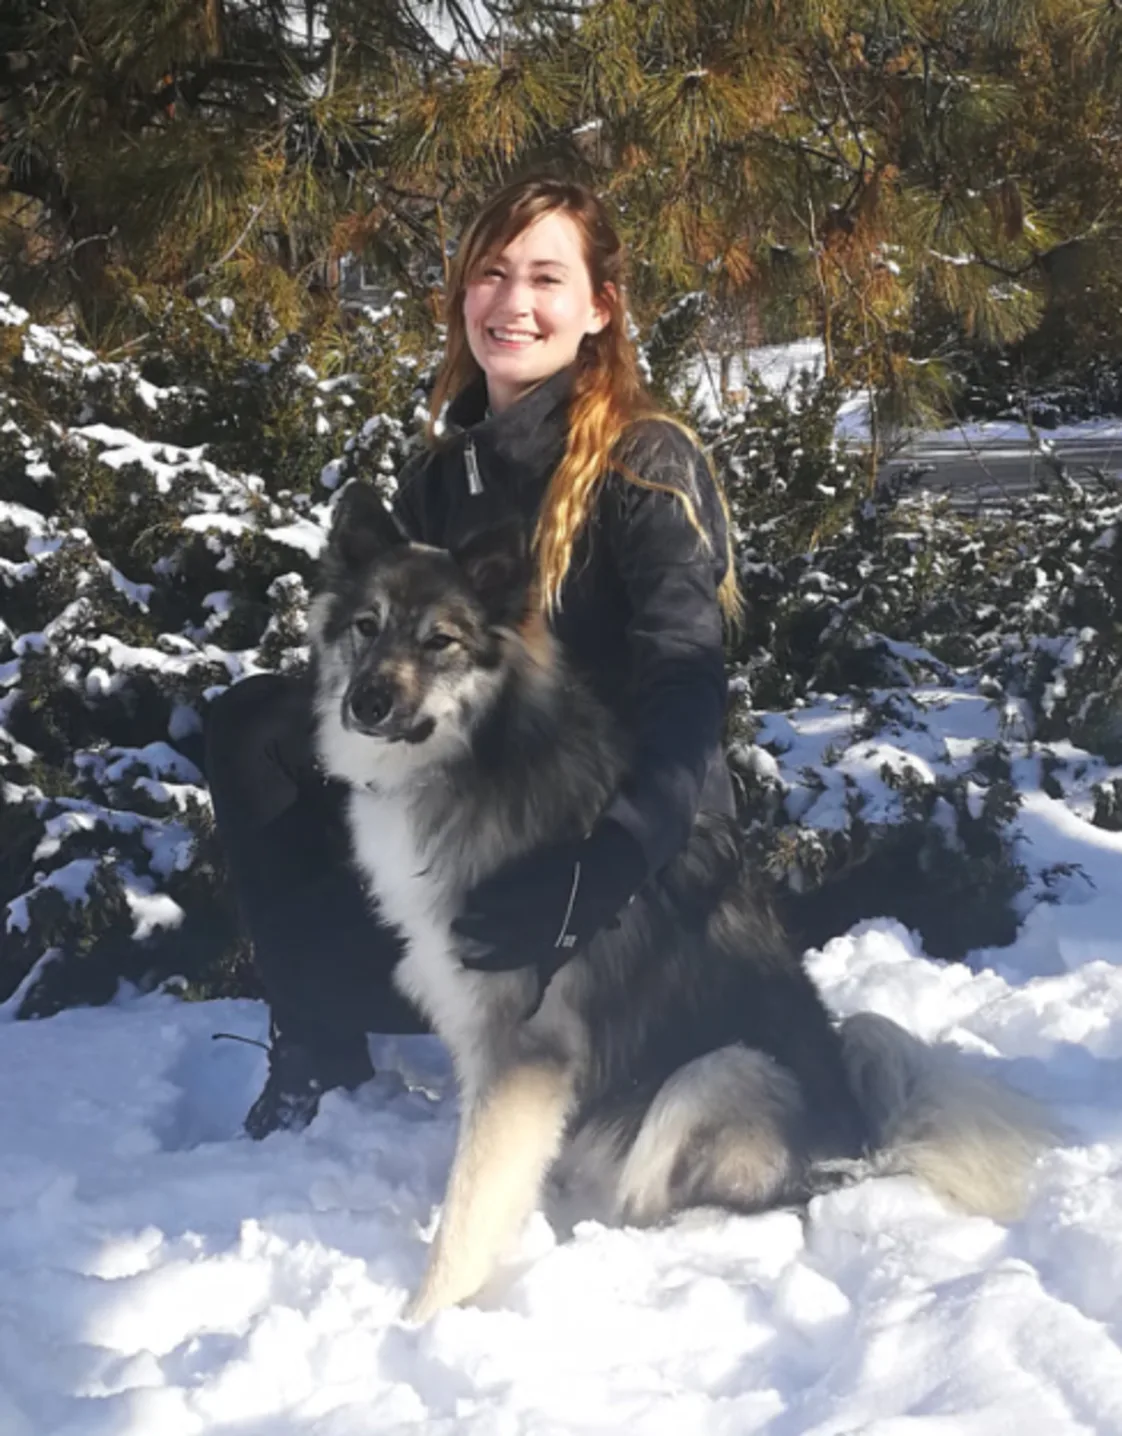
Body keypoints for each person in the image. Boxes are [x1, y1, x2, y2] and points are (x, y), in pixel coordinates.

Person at [205, 175, 741, 1138]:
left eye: (546, 277)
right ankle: (315, 1047)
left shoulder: (642, 459)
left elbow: (686, 679)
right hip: (475, 829)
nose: (514, 303)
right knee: (257, 727)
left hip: (620, 869)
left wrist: (609, 864)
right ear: (463, 296)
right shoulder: (442, 476)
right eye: (491, 274)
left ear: (599, 307)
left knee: (321, 942)